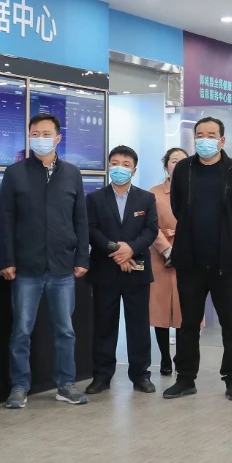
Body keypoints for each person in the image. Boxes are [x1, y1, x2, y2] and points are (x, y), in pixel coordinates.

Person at [0, 112, 90, 409]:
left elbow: (81, 220)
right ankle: (19, 386)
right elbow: (5, 219)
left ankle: (66, 384)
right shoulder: (15, 173)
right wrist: (7, 259)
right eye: (35, 133)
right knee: (21, 330)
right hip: (26, 267)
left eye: (46, 133)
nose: (40, 138)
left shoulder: (72, 174)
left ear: (58, 138)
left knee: (65, 330)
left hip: (63, 266)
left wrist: (82, 256)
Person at [165, 117, 232, 401]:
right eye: (200, 134)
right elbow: (177, 207)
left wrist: (226, 234)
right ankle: (185, 378)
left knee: (231, 323)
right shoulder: (183, 170)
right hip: (190, 261)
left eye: (211, 134)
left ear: (222, 140)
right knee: (189, 323)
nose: (205, 139)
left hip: (225, 262)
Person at [86, 146, 160, 394]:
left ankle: (140, 375)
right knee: (104, 326)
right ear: (109, 167)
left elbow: (151, 230)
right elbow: (91, 230)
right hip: (105, 270)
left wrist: (131, 249)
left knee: (138, 326)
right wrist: (116, 250)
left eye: (126, 164)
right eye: (115, 163)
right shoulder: (94, 199)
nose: (120, 168)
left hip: (136, 269)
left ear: (134, 170)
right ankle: (102, 376)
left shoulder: (146, 199)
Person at [149, 148, 189, 377]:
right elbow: (150, 226)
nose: (178, 164)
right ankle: (165, 357)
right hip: (160, 257)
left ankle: (181, 357)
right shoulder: (153, 194)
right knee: (160, 310)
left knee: (186, 310)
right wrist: (167, 250)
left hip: (189, 256)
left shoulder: (196, 191)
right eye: (174, 161)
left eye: (183, 161)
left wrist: (183, 247)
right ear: (166, 166)